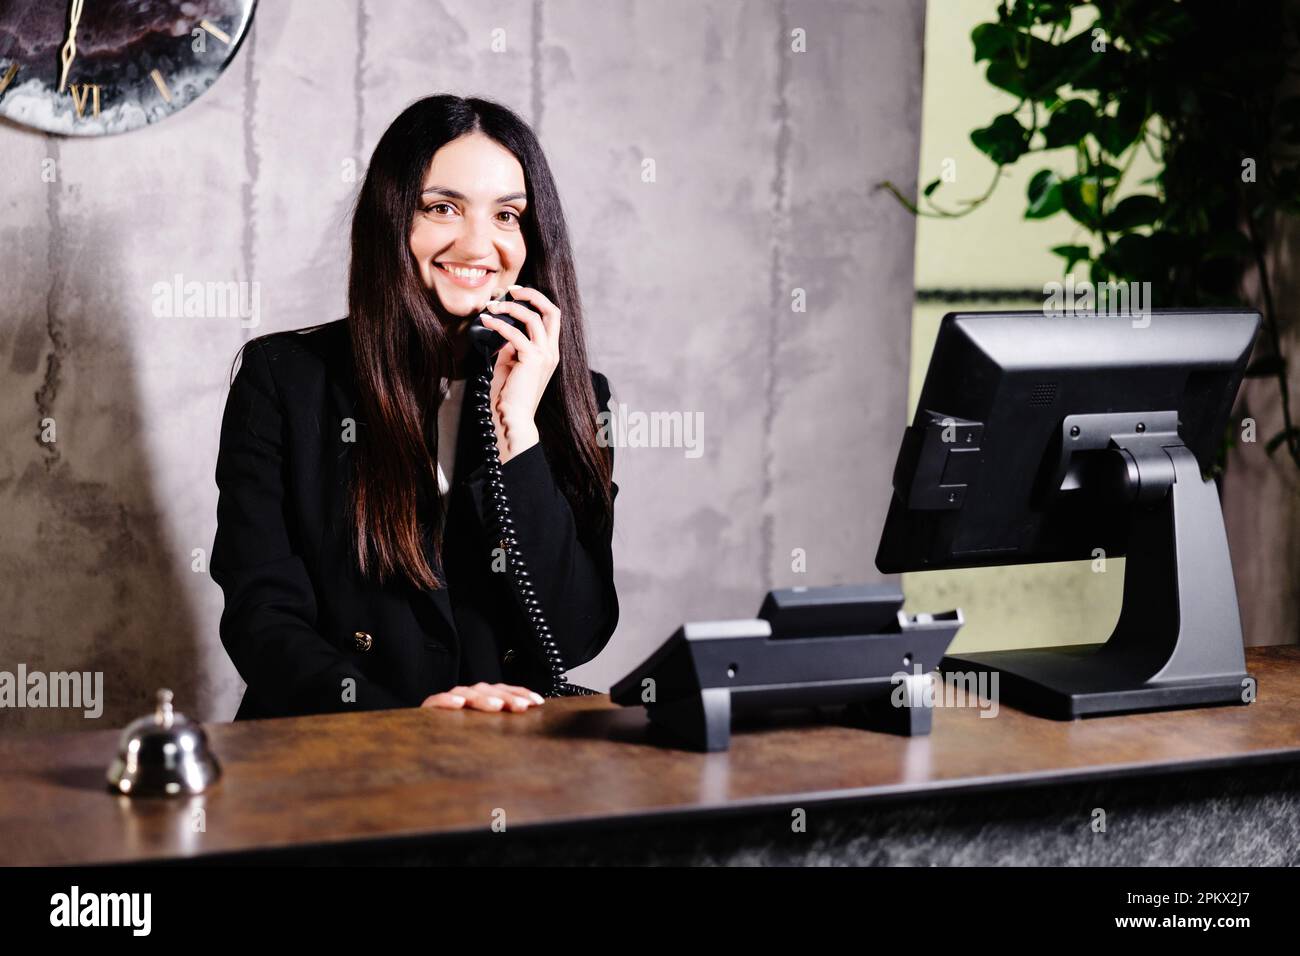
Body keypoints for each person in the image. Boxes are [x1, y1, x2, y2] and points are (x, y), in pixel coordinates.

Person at [210, 94, 618, 720]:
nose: (480, 243)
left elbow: (574, 633)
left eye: (507, 215)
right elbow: (262, 620)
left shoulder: (572, 394)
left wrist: (519, 430)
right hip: (336, 754)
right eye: (443, 207)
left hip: (505, 769)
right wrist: (407, 724)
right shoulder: (284, 379)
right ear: (393, 218)